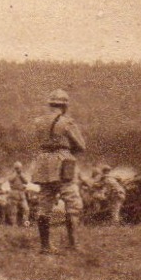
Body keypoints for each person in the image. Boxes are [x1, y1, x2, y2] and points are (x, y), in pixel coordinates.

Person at [30, 88, 86, 252]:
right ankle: (73, 244)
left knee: (44, 204)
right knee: (73, 203)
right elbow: (81, 146)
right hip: (62, 164)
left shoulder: (38, 122)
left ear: (50, 104)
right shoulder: (67, 122)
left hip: (42, 163)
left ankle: (45, 246)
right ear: (65, 106)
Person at [8, 161, 30, 228]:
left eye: (19, 168)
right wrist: (15, 173)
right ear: (14, 168)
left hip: (21, 193)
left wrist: (20, 174)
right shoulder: (12, 174)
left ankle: (25, 224)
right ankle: (14, 224)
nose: (18, 169)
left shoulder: (22, 174)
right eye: (17, 168)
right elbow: (10, 180)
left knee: (26, 209)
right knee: (13, 210)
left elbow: (26, 182)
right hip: (14, 193)